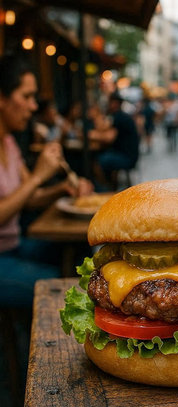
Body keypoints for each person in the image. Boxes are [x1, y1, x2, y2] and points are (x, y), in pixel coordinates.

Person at [0, 55, 92, 306]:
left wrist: (63, 188)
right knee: (56, 286)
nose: (33, 106)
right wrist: (40, 176)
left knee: (81, 258)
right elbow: (28, 191)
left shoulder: (8, 143)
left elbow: (29, 200)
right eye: (26, 96)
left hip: (14, 245)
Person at [90, 91, 140, 189]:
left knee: (97, 162)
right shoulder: (119, 116)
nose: (109, 105)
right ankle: (111, 185)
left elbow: (109, 138)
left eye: (110, 102)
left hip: (127, 157)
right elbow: (104, 129)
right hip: (128, 154)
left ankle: (105, 189)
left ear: (116, 103)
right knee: (105, 157)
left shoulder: (119, 117)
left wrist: (88, 134)